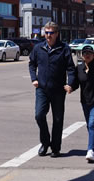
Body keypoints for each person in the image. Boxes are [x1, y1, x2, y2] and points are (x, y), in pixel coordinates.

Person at [29, 21, 76, 158]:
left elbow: (70, 68)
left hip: (58, 90)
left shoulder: (64, 48)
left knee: (57, 119)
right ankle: (45, 142)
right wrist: (34, 79)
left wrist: (70, 84)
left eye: (51, 33)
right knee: (39, 115)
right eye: (46, 32)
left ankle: (55, 148)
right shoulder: (38, 48)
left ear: (57, 34)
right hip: (42, 88)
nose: (48, 35)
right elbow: (32, 64)